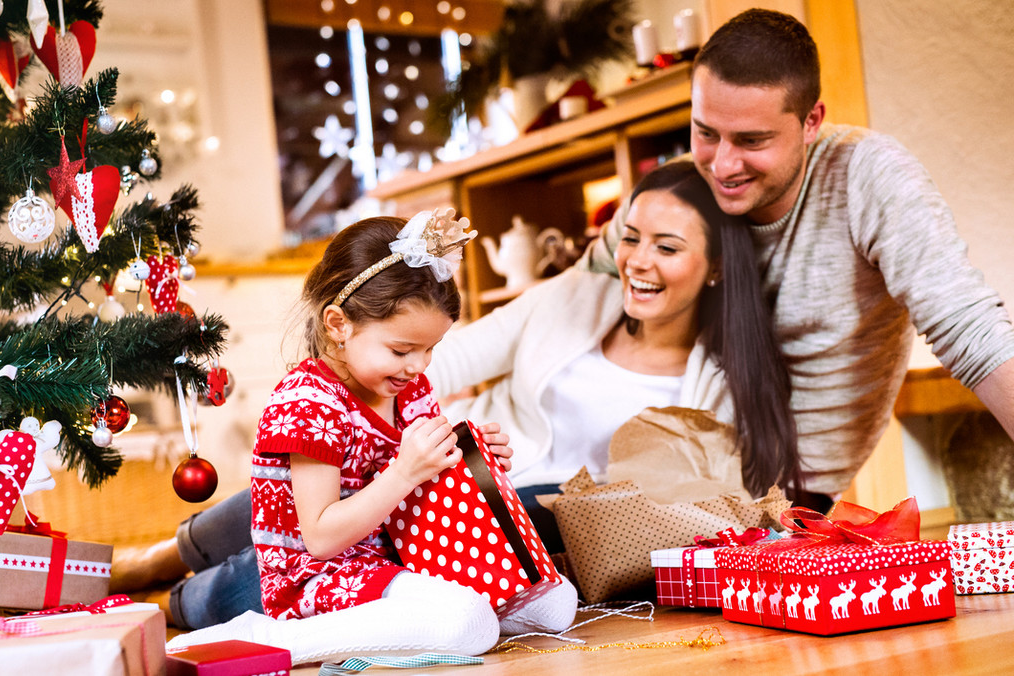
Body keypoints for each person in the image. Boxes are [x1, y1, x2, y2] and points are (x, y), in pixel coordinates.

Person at [583, 9, 1014, 504]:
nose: (721, 165)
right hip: (644, 477)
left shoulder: (867, 176)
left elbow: (970, 328)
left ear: (811, 122)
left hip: (781, 510)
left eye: (751, 140)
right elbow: (580, 291)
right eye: (705, 132)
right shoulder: (680, 188)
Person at [165, 211, 578, 664]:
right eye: (402, 350)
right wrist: (404, 472)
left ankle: (422, 619)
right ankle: (276, 637)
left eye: (430, 350)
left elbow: (426, 492)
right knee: (470, 622)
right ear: (339, 325)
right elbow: (321, 538)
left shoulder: (408, 387)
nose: (418, 366)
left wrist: (470, 460)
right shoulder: (309, 404)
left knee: (558, 604)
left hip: (400, 557)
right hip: (322, 576)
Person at [426, 160, 800, 551]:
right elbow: (441, 362)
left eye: (667, 247)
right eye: (631, 238)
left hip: (573, 540)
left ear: (717, 267)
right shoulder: (575, 295)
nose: (637, 261)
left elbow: (720, 511)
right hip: (460, 487)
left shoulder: (724, 386)